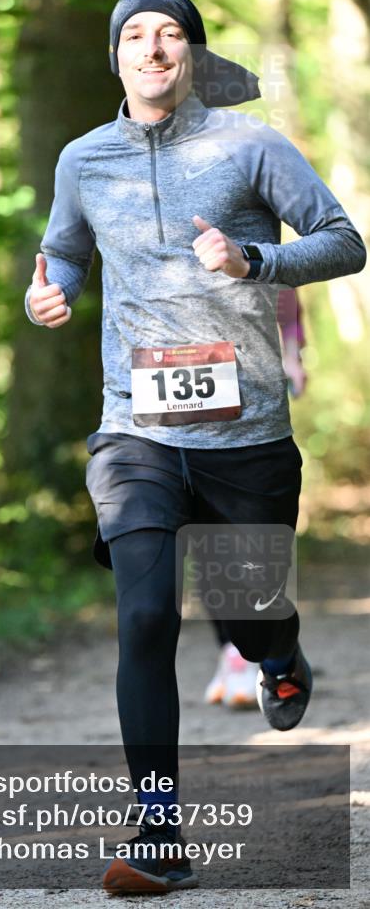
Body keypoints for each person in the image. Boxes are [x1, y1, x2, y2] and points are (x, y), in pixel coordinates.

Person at [24, 0, 366, 894]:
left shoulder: (249, 145)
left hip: (245, 427)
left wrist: (253, 258)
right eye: (134, 34)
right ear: (115, 56)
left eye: (169, 33)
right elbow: (63, 246)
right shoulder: (82, 158)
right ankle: (159, 834)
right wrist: (46, 287)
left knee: (246, 615)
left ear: (193, 54)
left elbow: (343, 241)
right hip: (134, 426)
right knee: (142, 618)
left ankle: (278, 659)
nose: (152, 47)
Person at [204, 288, 307, 709]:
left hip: (252, 401)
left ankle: (261, 651)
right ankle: (231, 656)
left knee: (244, 539)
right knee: (204, 538)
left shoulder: (250, 232)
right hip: (185, 405)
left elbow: (285, 298)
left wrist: (294, 355)